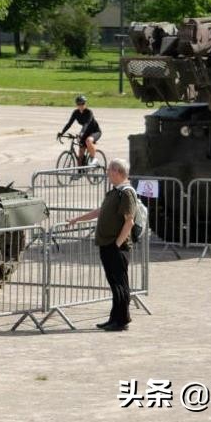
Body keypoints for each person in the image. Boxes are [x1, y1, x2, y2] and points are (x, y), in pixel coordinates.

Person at [66, 158, 137, 332]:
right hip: (107, 244)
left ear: (118, 172)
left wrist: (117, 244)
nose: (107, 173)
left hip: (116, 246)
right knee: (114, 284)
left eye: (109, 170)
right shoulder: (115, 192)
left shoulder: (126, 193)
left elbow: (129, 222)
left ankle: (121, 320)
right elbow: (101, 211)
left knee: (119, 284)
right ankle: (115, 318)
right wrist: (77, 219)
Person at [58, 94, 101, 166]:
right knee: (80, 155)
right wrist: (62, 132)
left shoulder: (89, 112)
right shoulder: (76, 113)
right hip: (85, 132)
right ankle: (80, 171)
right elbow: (69, 123)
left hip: (95, 131)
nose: (81, 106)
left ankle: (93, 159)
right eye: (79, 104)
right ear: (77, 104)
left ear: (85, 104)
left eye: (83, 103)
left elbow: (86, 124)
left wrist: (81, 134)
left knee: (88, 141)